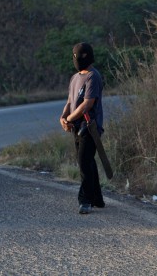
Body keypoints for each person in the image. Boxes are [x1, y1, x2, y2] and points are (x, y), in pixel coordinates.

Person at [59, 42, 105, 214]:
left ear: (89, 57)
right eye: (76, 56)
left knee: (84, 162)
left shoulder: (94, 77)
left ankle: (84, 200)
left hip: (90, 126)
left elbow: (87, 104)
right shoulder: (75, 78)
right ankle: (97, 199)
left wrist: (70, 117)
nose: (78, 59)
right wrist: (63, 118)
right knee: (88, 162)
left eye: (81, 56)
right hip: (75, 127)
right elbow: (70, 101)